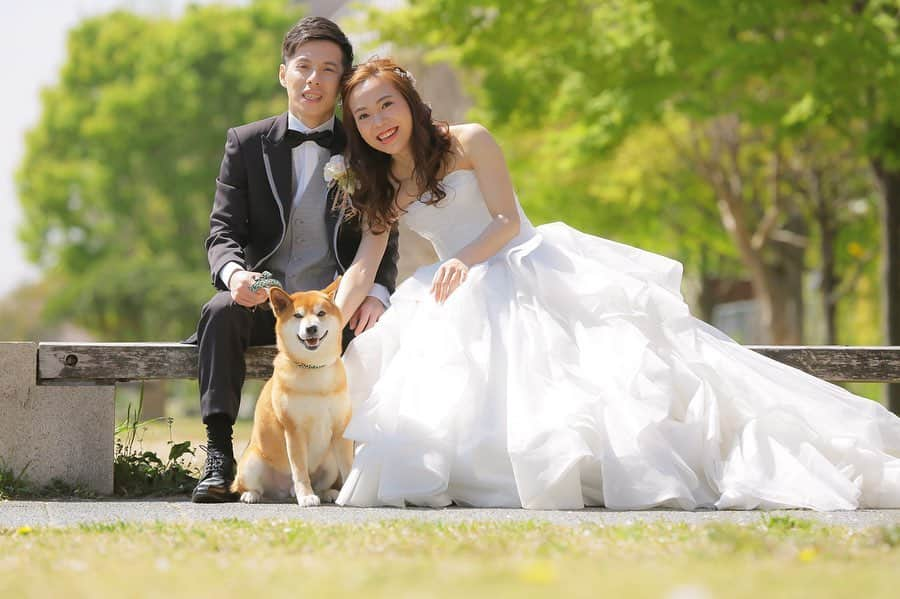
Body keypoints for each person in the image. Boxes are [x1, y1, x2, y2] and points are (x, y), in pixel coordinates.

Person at [331, 57, 900, 510]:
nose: (380, 120)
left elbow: (506, 220)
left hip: (522, 262)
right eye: (364, 115)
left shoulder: (469, 140)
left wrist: (464, 260)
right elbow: (365, 264)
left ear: (409, 102)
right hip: (455, 288)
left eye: (387, 104)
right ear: (355, 128)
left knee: (616, 378)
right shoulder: (382, 185)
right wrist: (325, 318)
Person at [189, 19, 399, 503]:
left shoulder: (365, 145)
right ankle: (220, 456)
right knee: (220, 311)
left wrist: (379, 294)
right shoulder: (245, 143)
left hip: (334, 309)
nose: (314, 80)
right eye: (304, 67)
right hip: (267, 303)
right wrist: (235, 275)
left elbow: (386, 235)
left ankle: (361, 468)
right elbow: (222, 233)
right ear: (283, 73)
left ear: (342, 82)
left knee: (384, 331)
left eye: (329, 70)